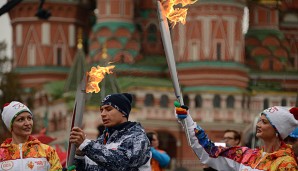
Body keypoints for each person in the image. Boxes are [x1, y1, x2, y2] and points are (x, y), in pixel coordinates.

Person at [175, 103, 298, 170]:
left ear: (277, 131)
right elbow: (210, 151)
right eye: (259, 120)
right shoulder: (247, 155)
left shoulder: (286, 164)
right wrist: (188, 121)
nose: (258, 125)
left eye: (264, 122)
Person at [69, 93, 151, 170]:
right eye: (101, 110)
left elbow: (121, 164)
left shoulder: (137, 138)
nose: (103, 114)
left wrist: (86, 145)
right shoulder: (102, 140)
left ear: (123, 112)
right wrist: (80, 157)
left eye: (108, 109)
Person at [0, 101, 62, 171]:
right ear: (11, 126)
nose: (27, 123)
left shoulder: (48, 152)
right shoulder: (1, 155)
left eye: (29, 118)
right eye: (21, 119)